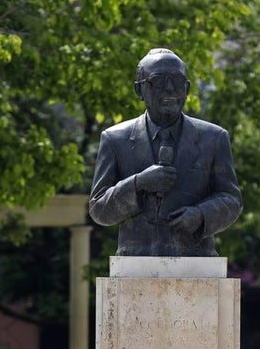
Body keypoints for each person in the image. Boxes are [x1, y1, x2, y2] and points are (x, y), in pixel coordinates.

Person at [88, 47, 242, 257]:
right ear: (139, 90)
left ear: (187, 89)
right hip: (135, 261)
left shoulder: (213, 138)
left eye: (177, 81)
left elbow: (232, 199)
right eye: (158, 80)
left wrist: (200, 216)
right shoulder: (115, 139)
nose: (169, 88)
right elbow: (99, 209)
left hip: (197, 261)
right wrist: (138, 183)